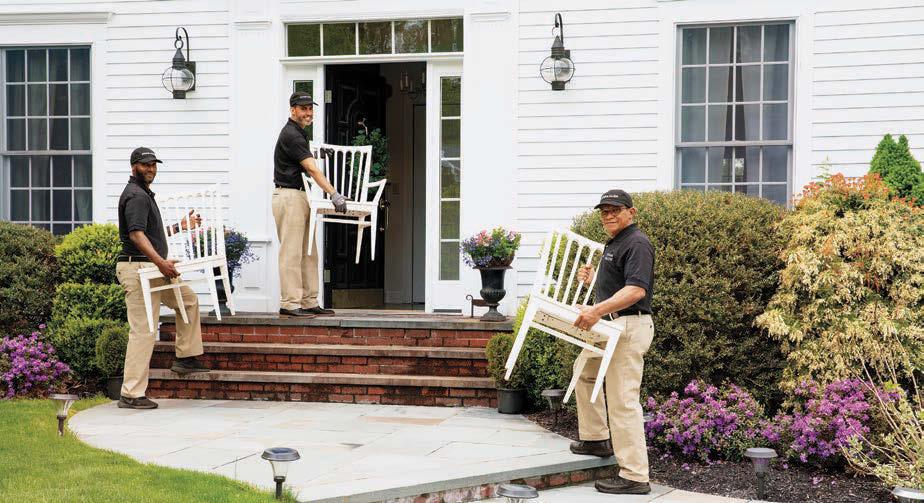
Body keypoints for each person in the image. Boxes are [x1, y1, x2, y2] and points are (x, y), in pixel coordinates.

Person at [570, 189, 656, 495]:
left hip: (629, 327)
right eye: (604, 211)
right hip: (610, 325)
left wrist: (595, 311)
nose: (608, 216)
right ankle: (596, 439)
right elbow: (619, 284)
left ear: (631, 212)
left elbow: (635, 291)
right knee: (585, 373)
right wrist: (593, 278)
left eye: (615, 210)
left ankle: (635, 476)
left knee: (622, 401)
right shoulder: (617, 242)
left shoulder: (637, 243)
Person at [116, 147, 210, 410]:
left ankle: (185, 357)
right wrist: (161, 262)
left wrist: (180, 227)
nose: (151, 169)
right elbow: (136, 235)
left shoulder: (143, 194)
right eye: (145, 165)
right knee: (144, 331)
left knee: (188, 301)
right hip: (139, 270)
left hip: (153, 269)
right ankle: (131, 393)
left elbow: (149, 233)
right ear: (134, 166)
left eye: (153, 165)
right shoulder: (136, 195)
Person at [272, 91, 348, 317]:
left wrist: (317, 151)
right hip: (289, 197)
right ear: (292, 110)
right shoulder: (292, 135)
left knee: (308, 252)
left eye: (310, 108)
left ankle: (308, 301)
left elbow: (301, 156)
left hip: (301, 196)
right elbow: (312, 169)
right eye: (303, 109)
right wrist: (334, 194)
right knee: (291, 253)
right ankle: (289, 303)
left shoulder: (299, 133)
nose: (308, 113)